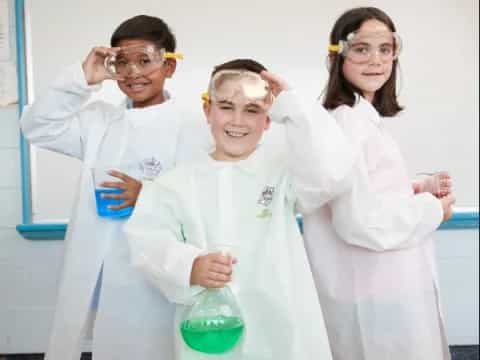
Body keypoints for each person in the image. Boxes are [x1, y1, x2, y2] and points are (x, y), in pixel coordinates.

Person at [124, 58, 356, 360]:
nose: (237, 120)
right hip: (209, 331)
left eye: (252, 109)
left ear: (268, 119)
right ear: (208, 111)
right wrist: (189, 265)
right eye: (226, 107)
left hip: (281, 327)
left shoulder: (285, 173)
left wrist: (294, 106)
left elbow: (334, 174)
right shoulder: (174, 184)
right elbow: (146, 240)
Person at [20, 15, 206, 360]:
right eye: (122, 61)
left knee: (154, 347)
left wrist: (147, 195)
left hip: (156, 268)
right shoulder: (99, 119)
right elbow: (37, 128)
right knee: (105, 346)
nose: (133, 72)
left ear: (169, 67)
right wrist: (80, 80)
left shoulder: (192, 124)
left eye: (144, 60)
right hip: (98, 261)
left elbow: (203, 197)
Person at [302, 7, 455, 360]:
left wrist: (415, 186)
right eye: (362, 49)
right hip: (373, 295)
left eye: (385, 49)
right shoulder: (347, 123)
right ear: (337, 56)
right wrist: (434, 209)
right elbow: (360, 221)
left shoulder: (359, 118)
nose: (376, 60)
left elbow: (365, 190)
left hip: (379, 289)